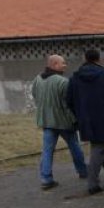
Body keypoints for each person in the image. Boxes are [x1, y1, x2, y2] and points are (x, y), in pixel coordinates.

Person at [66, 49, 104, 195]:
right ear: (99, 59)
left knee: (101, 143)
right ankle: (92, 183)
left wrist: (79, 114)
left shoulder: (75, 78)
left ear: (85, 59)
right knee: (98, 146)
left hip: (86, 118)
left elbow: (69, 100)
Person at [32, 54, 87, 190]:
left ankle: (46, 178)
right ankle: (83, 171)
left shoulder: (37, 79)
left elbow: (35, 95)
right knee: (74, 146)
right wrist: (75, 120)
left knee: (47, 151)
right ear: (54, 65)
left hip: (46, 121)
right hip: (63, 122)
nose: (65, 65)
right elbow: (70, 103)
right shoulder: (63, 82)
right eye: (63, 63)